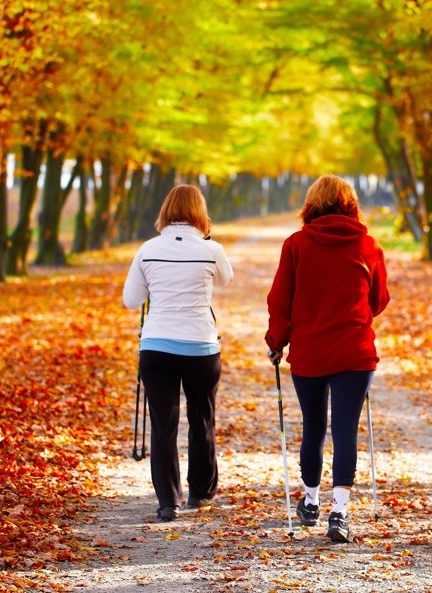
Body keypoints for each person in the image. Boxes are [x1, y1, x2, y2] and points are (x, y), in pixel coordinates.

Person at [265, 174, 390, 543]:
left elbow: (279, 300)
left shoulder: (297, 245)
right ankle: (341, 512)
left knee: (314, 427)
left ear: (312, 204)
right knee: (346, 429)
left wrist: (277, 341)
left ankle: (311, 501)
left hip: (310, 352)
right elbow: (379, 299)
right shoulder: (368, 245)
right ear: (351, 205)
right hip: (355, 351)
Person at [123, 183, 234, 522]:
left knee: (164, 424)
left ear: (166, 210)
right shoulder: (210, 249)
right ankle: (200, 492)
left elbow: (131, 301)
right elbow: (225, 281)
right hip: (201, 345)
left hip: (157, 346)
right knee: (202, 418)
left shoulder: (147, 249)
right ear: (200, 212)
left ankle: (167, 501)